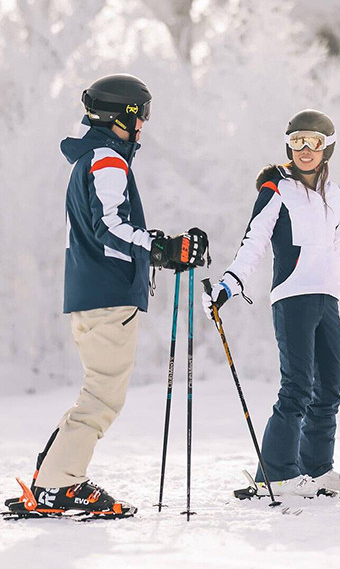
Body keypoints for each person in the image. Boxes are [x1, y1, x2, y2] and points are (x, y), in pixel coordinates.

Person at [5, 74, 208, 519]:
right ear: (125, 116)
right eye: (143, 115)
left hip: (91, 293)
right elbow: (110, 227)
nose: (144, 127)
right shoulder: (108, 161)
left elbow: (107, 231)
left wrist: (163, 252)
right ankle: (61, 485)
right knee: (102, 398)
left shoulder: (91, 159)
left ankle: (50, 479)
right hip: (106, 296)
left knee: (94, 393)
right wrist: (162, 248)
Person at [203, 109, 340, 499]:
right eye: (297, 142)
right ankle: (276, 473)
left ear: (328, 147)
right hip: (292, 296)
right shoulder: (276, 187)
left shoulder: (335, 192)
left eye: (314, 142)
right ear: (288, 146)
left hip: (326, 297)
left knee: (329, 389)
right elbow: (254, 240)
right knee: (297, 388)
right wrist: (230, 282)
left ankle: (316, 468)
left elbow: (335, 246)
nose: (305, 150)